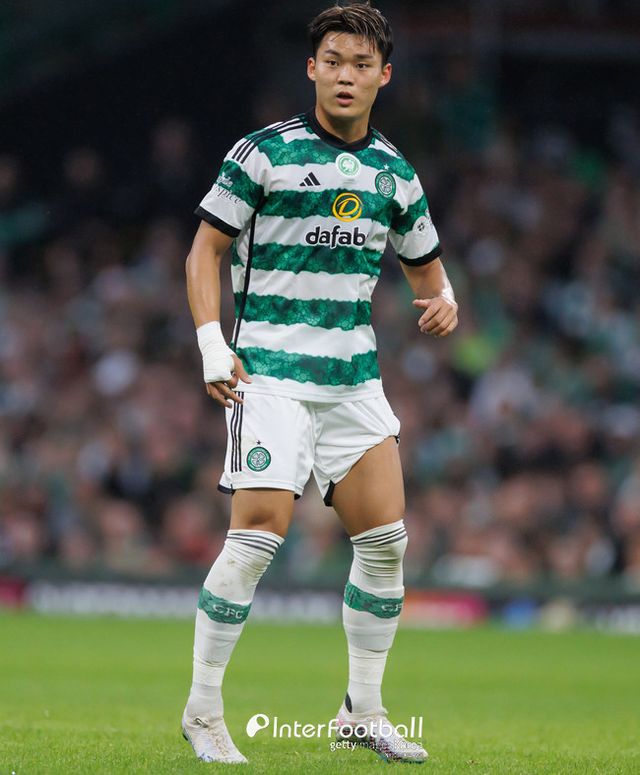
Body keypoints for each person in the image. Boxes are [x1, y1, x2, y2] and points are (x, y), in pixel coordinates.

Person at [182, 2, 458, 765]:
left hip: (352, 380)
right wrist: (211, 344)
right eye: (332, 61)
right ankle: (202, 710)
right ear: (311, 68)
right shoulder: (261, 153)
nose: (345, 75)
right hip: (267, 371)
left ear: (384, 76)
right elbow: (204, 251)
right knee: (257, 533)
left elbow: (429, 274)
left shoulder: (395, 173)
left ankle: (361, 711)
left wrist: (445, 302)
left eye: (361, 64)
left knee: (386, 544)